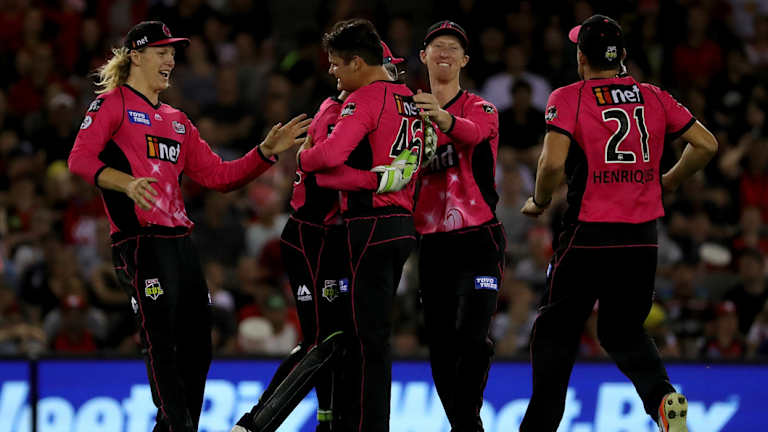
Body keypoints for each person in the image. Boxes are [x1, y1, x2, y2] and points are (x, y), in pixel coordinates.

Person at [67, 21, 310, 432]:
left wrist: (265, 153)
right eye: (162, 52)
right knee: (161, 346)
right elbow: (79, 160)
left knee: (198, 348)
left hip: (182, 245)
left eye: (173, 52)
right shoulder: (112, 104)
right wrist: (126, 183)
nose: (171, 60)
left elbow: (219, 176)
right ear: (136, 56)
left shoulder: (177, 120)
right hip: (141, 243)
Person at [518, 15, 718, 432]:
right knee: (622, 330)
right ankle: (663, 399)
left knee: (555, 332)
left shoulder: (569, 96)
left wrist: (539, 200)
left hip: (588, 233)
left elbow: (552, 161)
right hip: (642, 237)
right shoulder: (654, 96)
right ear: (623, 57)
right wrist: (668, 181)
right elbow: (705, 144)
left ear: (580, 58)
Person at [232, 41, 410, 432]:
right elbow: (321, 164)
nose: (389, 82)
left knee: (337, 340)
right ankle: (254, 425)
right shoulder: (339, 111)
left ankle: (327, 422)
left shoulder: (358, 110)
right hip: (310, 234)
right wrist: (378, 180)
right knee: (324, 339)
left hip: (328, 237)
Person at [295, 19, 422, 432]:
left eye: (335, 64)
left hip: (367, 226)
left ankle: (364, 426)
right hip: (403, 224)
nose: (332, 72)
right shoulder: (410, 99)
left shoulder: (366, 99)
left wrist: (303, 158)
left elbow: (329, 155)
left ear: (355, 62)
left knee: (365, 341)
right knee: (374, 336)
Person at [410, 20, 505, 432]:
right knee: (441, 347)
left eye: (453, 47)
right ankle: (467, 427)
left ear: (465, 60)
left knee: (474, 338)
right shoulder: (407, 116)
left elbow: (475, 134)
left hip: (479, 236)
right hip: (432, 244)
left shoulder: (482, 108)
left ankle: (466, 426)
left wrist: (442, 119)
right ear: (423, 57)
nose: (444, 52)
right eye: (436, 46)